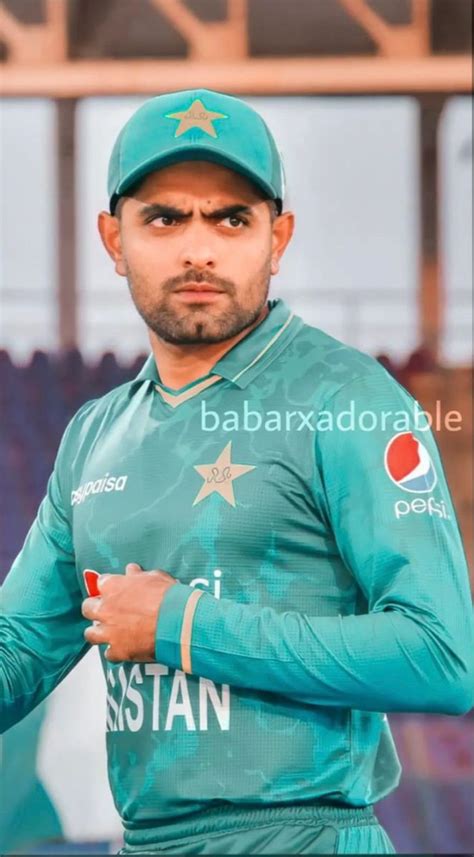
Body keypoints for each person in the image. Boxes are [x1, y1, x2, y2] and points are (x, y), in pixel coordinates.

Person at [1, 88, 473, 856]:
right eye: (164, 217)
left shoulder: (346, 398)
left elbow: (442, 655)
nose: (199, 249)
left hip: (309, 837)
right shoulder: (93, 436)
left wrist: (184, 626)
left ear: (277, 237)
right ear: (112, 239)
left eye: (232, 218)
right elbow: (17, 650)